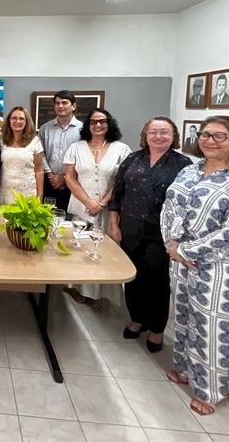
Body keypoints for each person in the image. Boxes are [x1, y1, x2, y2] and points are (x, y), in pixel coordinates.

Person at [161, 115, 229, 416]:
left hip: (222, 268)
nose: (210, 141)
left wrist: (186, 250)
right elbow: (169, 207)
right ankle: (184, 369)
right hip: (180, 259)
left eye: (219, 135)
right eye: (205, 134)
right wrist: (171, 244)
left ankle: (210, 390)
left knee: (212, 328)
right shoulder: (190, 170)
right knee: (185, 316)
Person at [109, 117, 192, 353]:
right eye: (153, 132)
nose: (158, 136)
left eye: (164, 132)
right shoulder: (133, 159)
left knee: (157, 282)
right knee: (133, 277)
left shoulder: (184, 165)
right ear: (145, 135)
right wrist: (114, 225)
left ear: (173, 136)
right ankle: (137, 319)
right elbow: (117, 193)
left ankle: (156, 329)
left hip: (163, 233)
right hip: (131, 227)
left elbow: (189, 204)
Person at [62, 108, 131, 312]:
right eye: (93, 122)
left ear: (109, 123)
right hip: (81, 208)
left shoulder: (121, 149)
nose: (98, 125)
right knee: (80, 249)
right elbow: (69, 178)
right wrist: (88, 202)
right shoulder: (76, 147)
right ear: (88, 125)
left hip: (109, 210)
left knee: (103, 251)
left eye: (102, 121)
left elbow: (121, 181)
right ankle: (77, 289)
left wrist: (101, 203)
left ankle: (100, 293)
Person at [39, 90, 83, 211]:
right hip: (49, 182)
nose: (60, 106)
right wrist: (50, 175)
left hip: (74, 183)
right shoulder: (44, 129)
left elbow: (83, 157)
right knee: (46, 217)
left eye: (64, 103)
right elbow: (40, 154)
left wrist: (64, 177)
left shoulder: (83, 129)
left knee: (71, 219)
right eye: (57, 103)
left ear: (73, 106)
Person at [0, 106, 44, 204]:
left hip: (27, 193)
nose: (17, 121)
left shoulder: (35, 141)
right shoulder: (1, 140)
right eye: (14, 118)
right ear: (9, 120)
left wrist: (40, 195)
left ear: (26, 122)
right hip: (5, 192)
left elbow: (39, 170)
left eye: (21, 118)